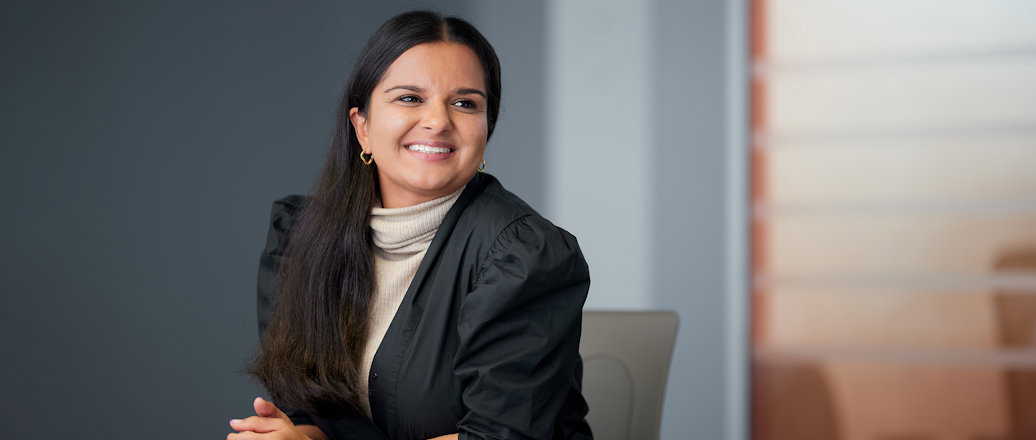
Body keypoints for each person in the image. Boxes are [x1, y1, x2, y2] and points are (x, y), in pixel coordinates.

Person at [228, 10, 592, 440]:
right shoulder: (299, 238)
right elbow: (308, 411)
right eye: (409, 98)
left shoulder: (525, 256)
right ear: (362, 127)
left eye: (465, 103)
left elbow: (497, 435)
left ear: (486, 129)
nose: (438, 121)